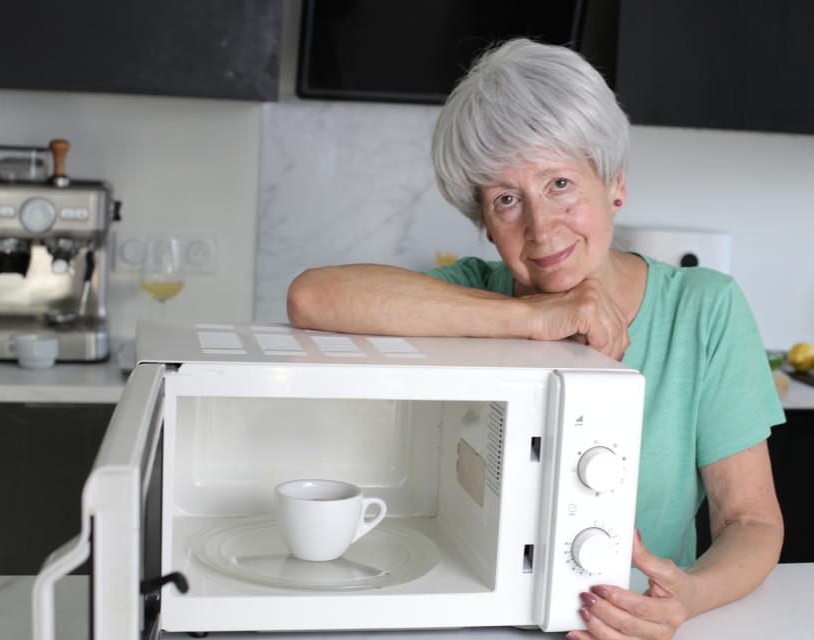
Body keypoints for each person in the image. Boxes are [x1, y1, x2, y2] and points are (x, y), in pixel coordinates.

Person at [287, 38, 784, 640]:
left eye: (560, 184)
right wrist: (529, 317)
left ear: (615, 185)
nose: (541, 227)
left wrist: (688, 597)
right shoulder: (473, 297)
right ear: (485, 225)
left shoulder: (704, 309)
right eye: (505, 200)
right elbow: (312, 297)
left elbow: (751, 521)